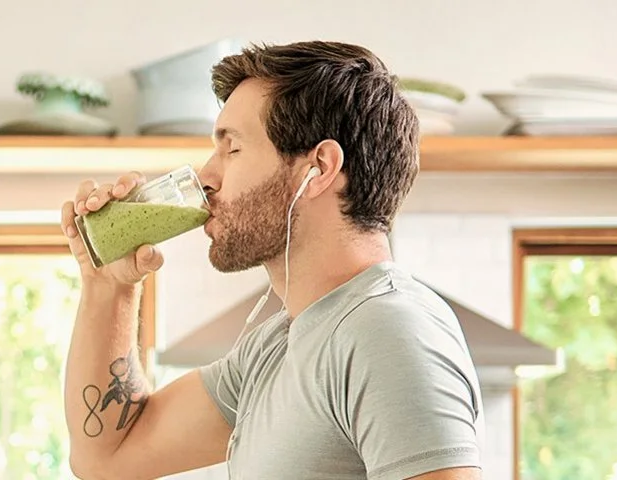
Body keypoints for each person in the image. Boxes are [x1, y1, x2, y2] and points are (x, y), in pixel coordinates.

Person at [58, 40, 484, 480]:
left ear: (318, 169)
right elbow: (108, 457)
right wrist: (108, 284)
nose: (206, 177)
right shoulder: (273, 348)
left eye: (232, 149)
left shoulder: (385, 331)